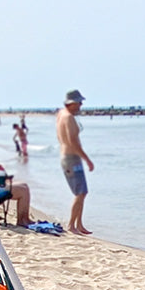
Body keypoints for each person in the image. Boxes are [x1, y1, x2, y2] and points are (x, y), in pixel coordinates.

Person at [56, 89, 94, 234]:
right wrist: (87, 159)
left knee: (82, 192)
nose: (81, 105)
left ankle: (79, 224)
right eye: (79, 102)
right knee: (80, 192)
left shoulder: (61, 114)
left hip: (67, 157)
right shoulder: (68, 118)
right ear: (71, 103)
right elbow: (73, 142)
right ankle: (72, 225)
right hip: (71, 159)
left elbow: (62, 138)